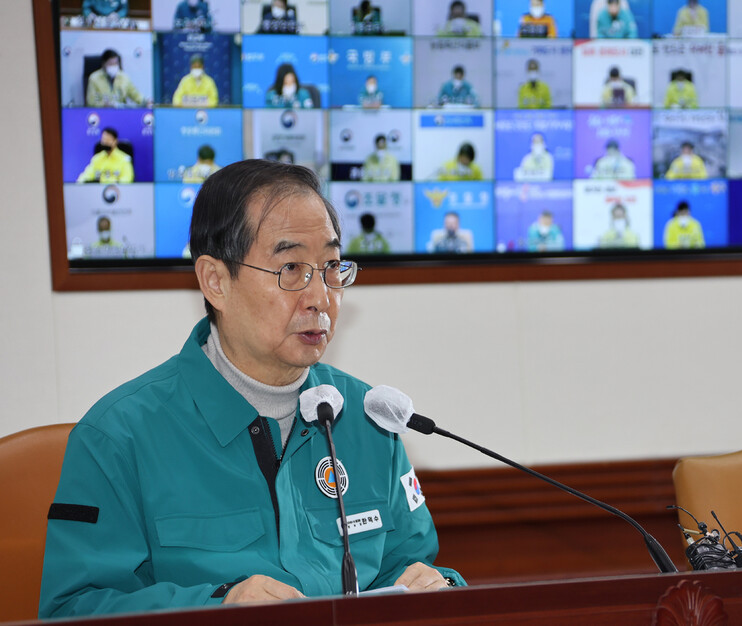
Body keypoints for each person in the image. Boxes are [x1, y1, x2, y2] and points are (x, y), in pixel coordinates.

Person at [40, 159, 466, 618]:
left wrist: (439, 585)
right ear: (215, 281)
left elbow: (413, 566)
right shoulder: (118, 438)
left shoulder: (369, 420)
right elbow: (72, 609)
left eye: (330, 266)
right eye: (291, 268)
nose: (321, 297)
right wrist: (217, 607)